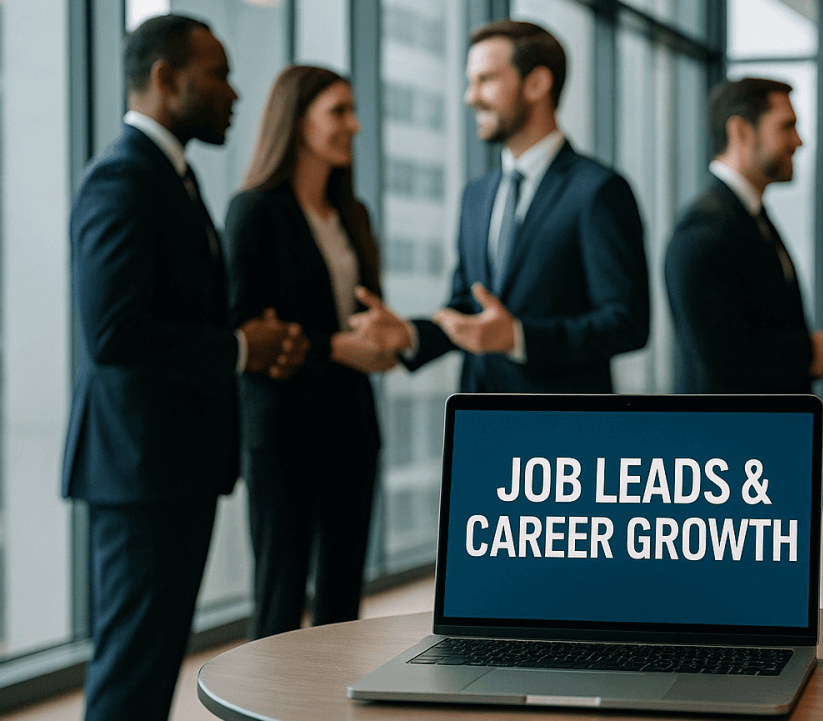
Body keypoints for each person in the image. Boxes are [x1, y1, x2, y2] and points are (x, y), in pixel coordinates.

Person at [62, 15, 307, 720]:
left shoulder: (172, 175)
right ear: (168, 79)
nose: (234, 92)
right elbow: (113, 334)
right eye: (219, 73)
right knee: (133, 667)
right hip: (140, 471)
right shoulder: (123, 177)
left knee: (153, 657)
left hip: (166, 467)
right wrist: (240, 348)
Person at [351, 20, 649, 392]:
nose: (470, 96)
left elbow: (627, 322)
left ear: (537, 83)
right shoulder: (476, 195)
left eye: (486, 80)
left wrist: (518, 337)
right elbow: (468, 310)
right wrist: (411, 334)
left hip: (563, 432)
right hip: (481, 423)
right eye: (470, 81)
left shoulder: (599, 191)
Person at [225, 65, 396, 640]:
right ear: (298, 123)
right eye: (339, 112)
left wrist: (379, 341)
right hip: (283, 428)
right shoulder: (254, 211)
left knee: (344, 599)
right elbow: (247, 328)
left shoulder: (354, 213)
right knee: (280, 596)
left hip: (352, 421)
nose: (355, 125)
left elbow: (363, 312)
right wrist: (337, 347)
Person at [664, 77, 823, 393]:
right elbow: (721, 352)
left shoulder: (748, 215)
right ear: (741, 132)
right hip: (732, 435)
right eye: (786, 127)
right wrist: (807, 354)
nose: (798, 141)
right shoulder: (704, 227)